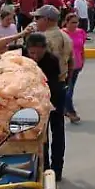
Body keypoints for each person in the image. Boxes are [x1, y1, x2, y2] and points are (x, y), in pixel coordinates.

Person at [22, 32, 67, 178]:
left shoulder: (51, 60)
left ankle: (57, 169)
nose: (35, 56)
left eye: (38, 53)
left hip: (53, 98)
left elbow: (51, 85)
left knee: (58, 132)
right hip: (34, 101)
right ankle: (45, 167)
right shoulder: (23, 57)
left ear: (45, 49)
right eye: (32, 52)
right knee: (42, 136)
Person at [62, 12, 88, 123]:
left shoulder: (81, 32)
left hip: (77, 65)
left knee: (69, 90)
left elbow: (81, 48)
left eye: (76, 22)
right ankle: (71, 112)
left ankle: (64, 108)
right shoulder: (62, 34)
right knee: (69, 90)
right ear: (66, 23)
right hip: (66, 66)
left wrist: (83, 61)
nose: (75, 25)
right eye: (72, 22)